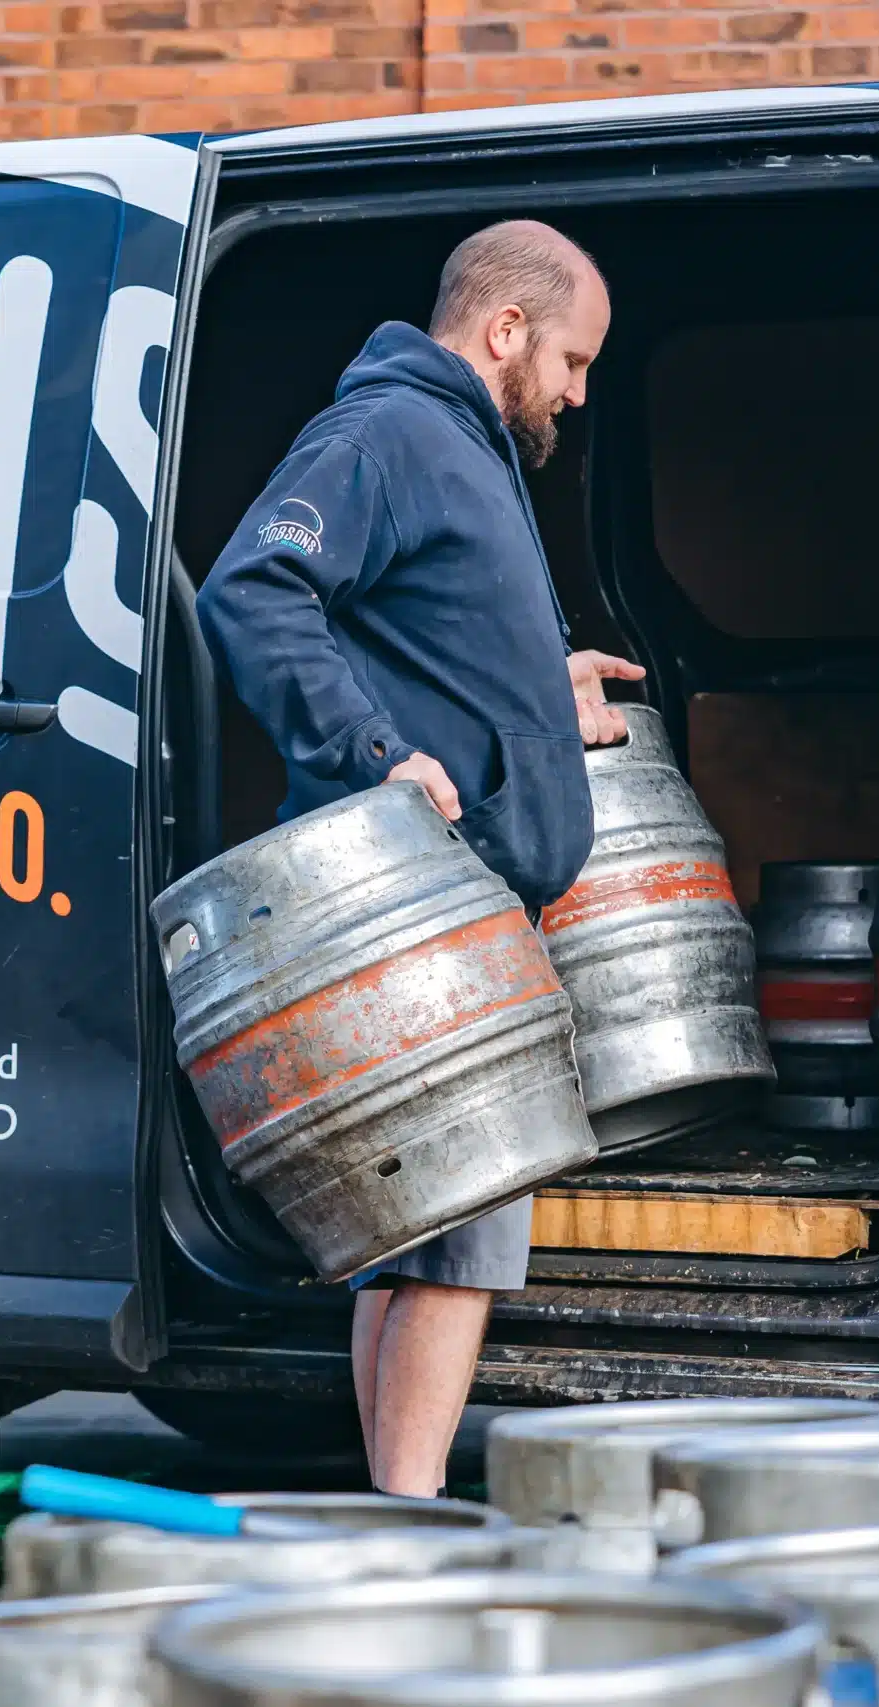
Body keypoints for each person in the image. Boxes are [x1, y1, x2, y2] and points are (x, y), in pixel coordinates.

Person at [197, 218, 643, 1496]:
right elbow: (253, 591)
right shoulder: (386, 434)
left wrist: (535, 682)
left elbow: (420, 633)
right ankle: (406, 1521)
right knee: (460, 1251)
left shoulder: (465, 445)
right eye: (569, 356)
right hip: (427, 907)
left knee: (424, 1244)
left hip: (464, 905)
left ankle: (393, 1512)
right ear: (504, 330)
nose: (575, 386)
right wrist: (371, 754)